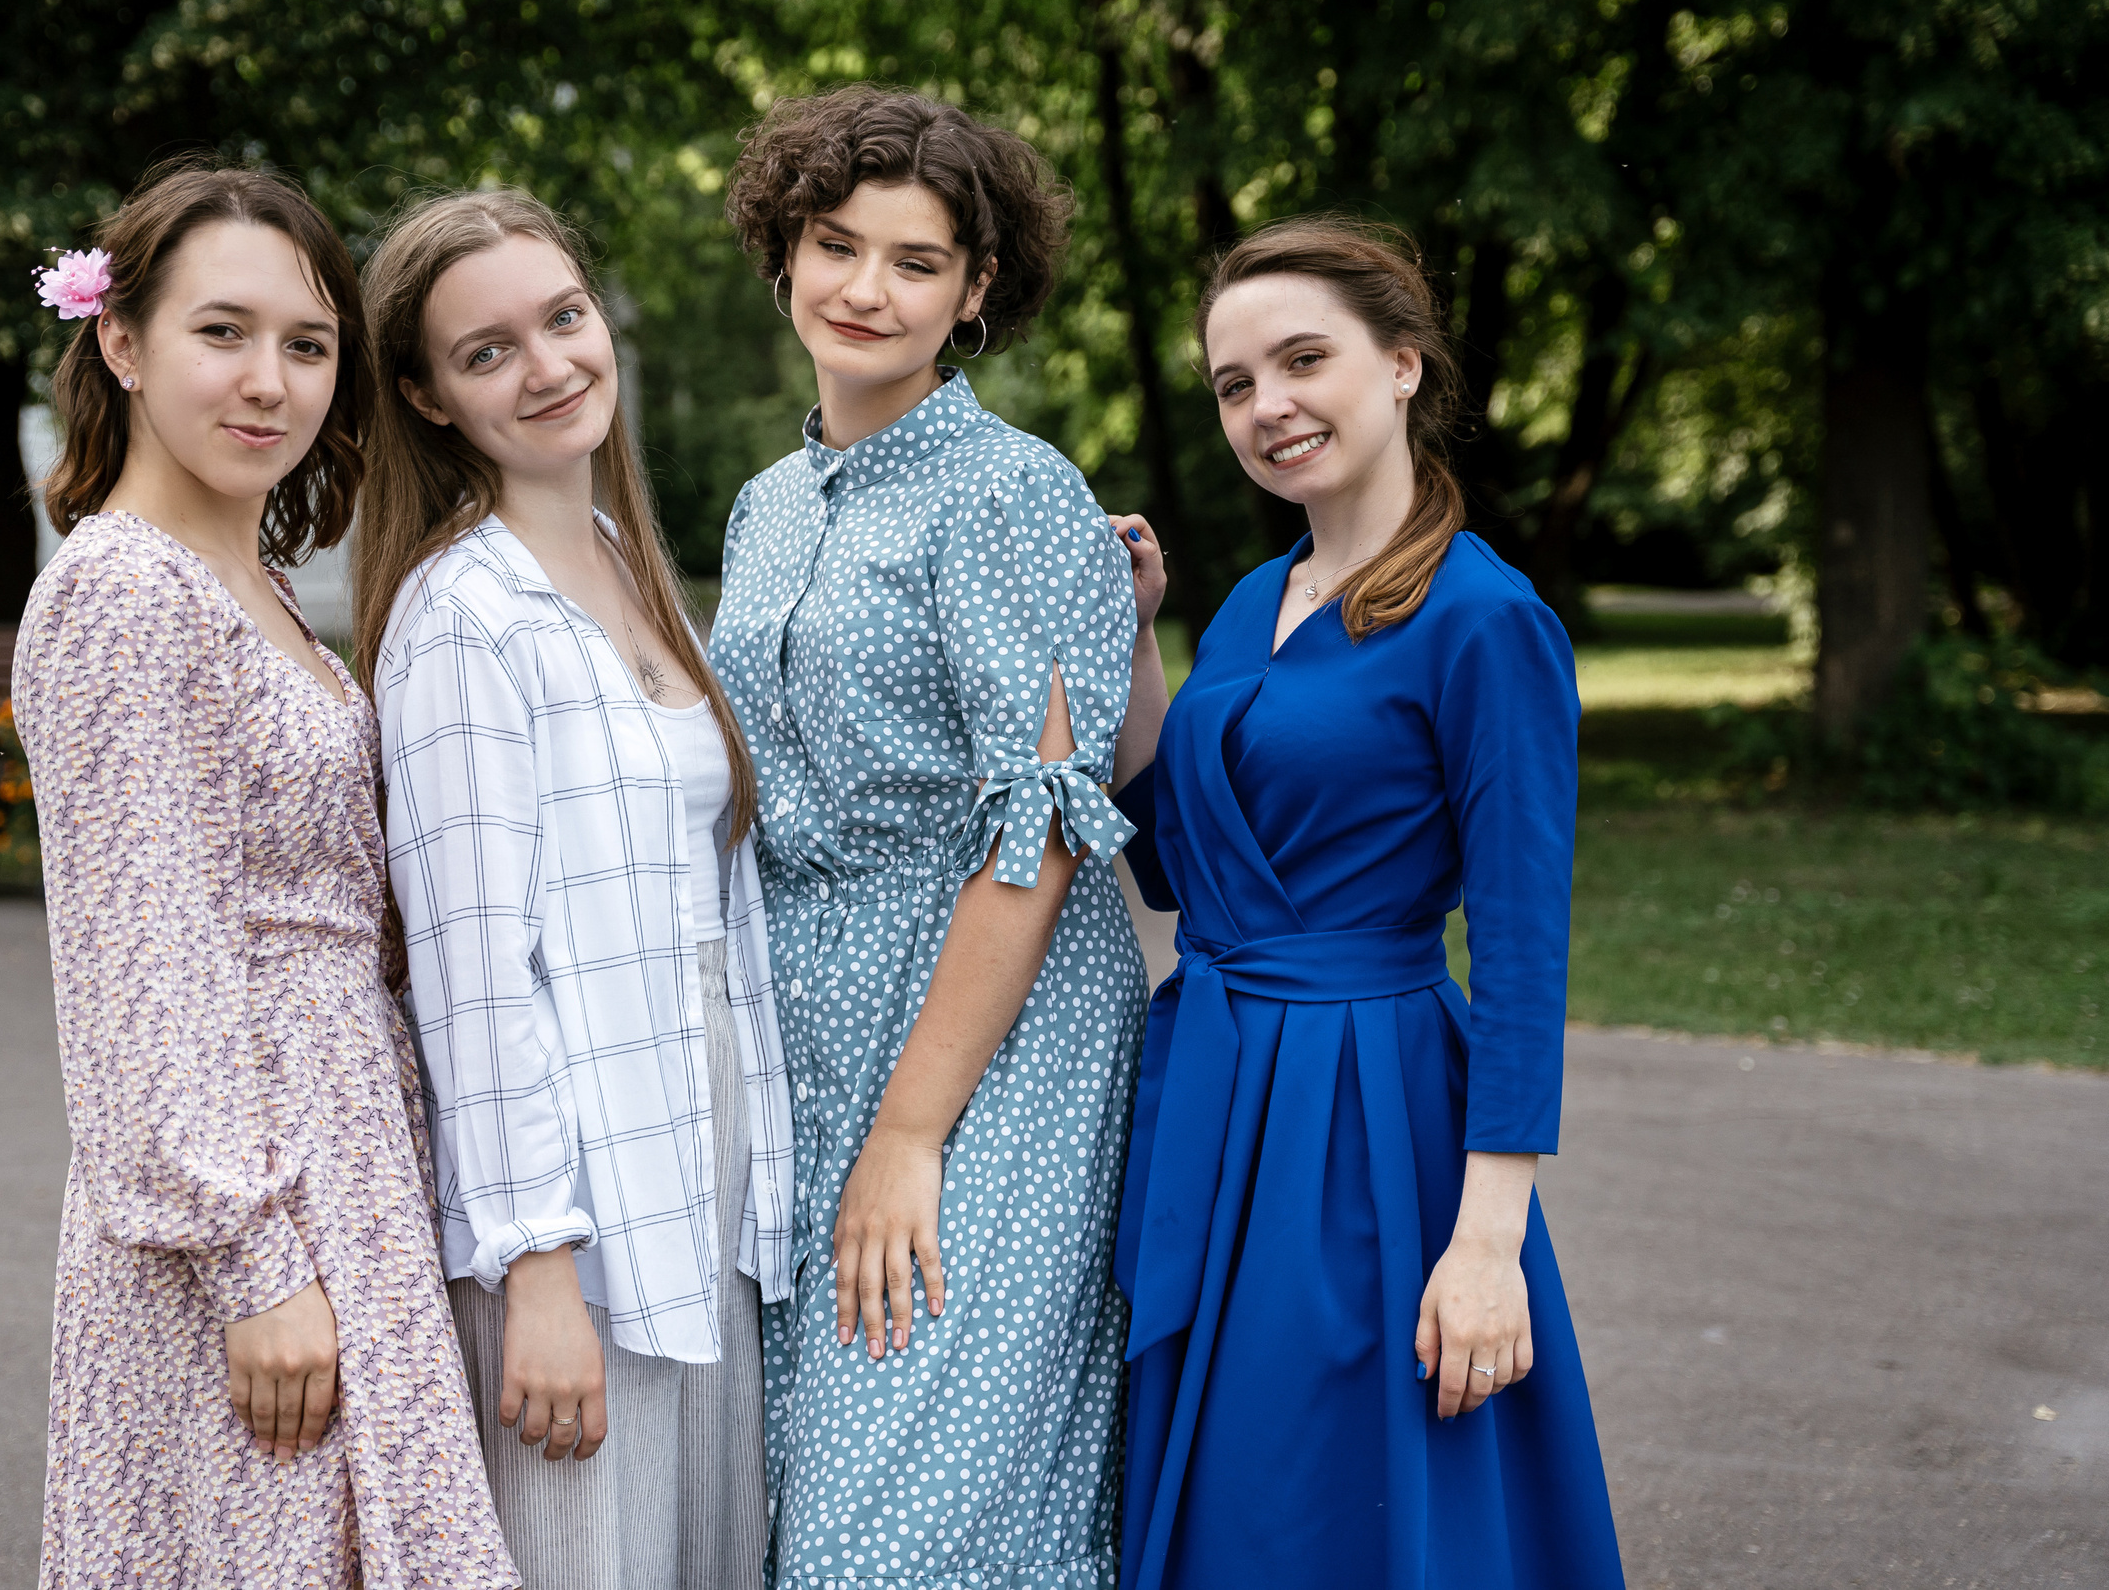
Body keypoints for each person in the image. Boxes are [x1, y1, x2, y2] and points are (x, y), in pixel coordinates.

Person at [1104, 212, 1626, 1589]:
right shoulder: (1252, 603)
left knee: (1335, 1497)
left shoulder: (1485, 619)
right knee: (1229, 1491)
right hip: (1224, 1097)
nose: (1267, 405)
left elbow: (1521, 947)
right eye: (1233, 384)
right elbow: (1179, 865)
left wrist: (1487, 1243)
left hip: (1364, 1109)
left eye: (1302, 360)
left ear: (1401, 365)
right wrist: (1144, 643)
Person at [13, 161, 512, 1589]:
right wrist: (253, 1264)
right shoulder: (124, 593)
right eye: (221, 332)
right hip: (244, 1202)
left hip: (339, 1155)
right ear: (122, 343)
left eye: (307, 345)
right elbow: (140, 961)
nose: (269, 383)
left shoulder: (254, 585)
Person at [707, 85, 1149, 1588]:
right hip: (810, 1028)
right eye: (838, 244)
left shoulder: (1018, 495)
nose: (866, 289)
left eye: (916, 261)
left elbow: (1038, 838)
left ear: (974, 293)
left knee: (903, 1513)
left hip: (991, 1037)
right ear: (784, 250)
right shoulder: (768, 505)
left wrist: (911, 1133)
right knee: (810, 1478)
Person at [354, 188, 796, 1590]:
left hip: (703, 1152)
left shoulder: (625, 567)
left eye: (563, 318)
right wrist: (536, 1268)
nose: (548, 366)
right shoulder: (457, 618)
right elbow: (476, 974)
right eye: (487, 353)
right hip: (580, 1205)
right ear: (426, 398)